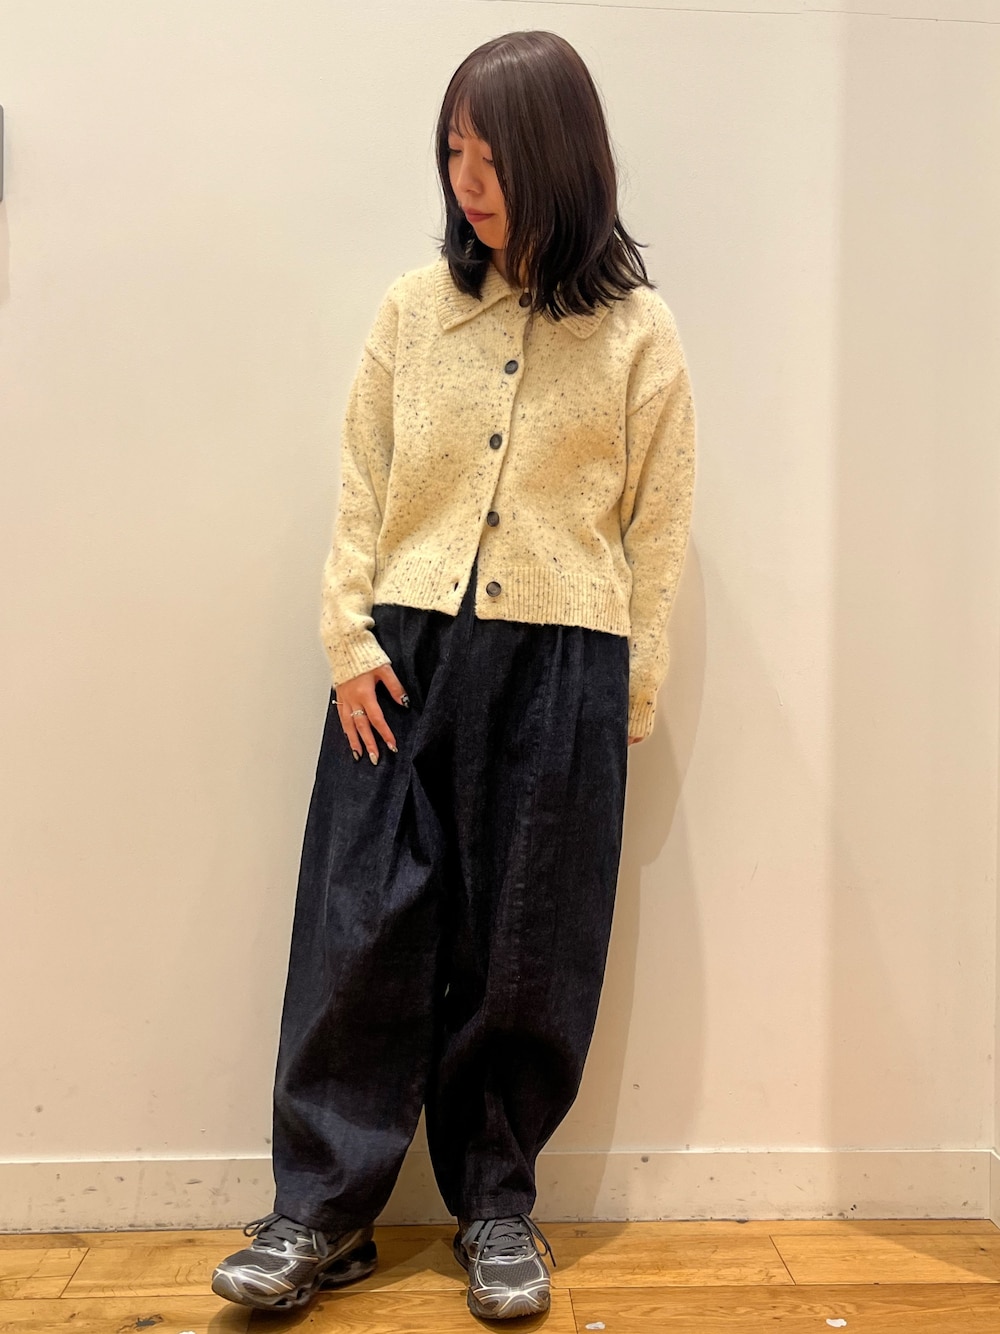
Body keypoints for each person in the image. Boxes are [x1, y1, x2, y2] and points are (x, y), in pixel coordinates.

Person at [212, 27, 696, 1323]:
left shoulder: (639, 335)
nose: (466, 181)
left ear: (559, 158)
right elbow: (361, 483)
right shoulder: (412, 312)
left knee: (529, 943)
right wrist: (347, 639)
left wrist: (627, 696)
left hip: (565, 661)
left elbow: (657, 528)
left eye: (491, 155)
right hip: (402, 656)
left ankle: (496, 1206)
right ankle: (320, 1215)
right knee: (359, 928)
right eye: (451, 151)